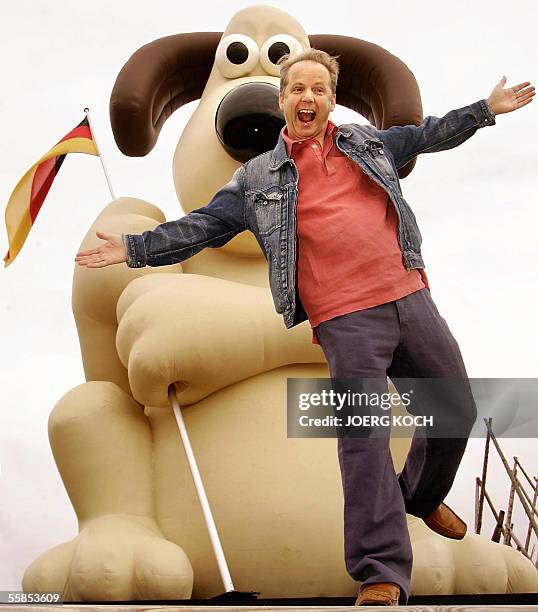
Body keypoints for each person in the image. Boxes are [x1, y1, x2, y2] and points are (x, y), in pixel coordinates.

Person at [76, 49, 534, 606]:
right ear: (283, 100)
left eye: (319, 89)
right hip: (345, 317)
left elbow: (425, 134)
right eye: (297, 89)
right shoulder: (258, 177)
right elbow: (201, 228)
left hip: (408, 295)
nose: (308, 98)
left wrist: (486, 109)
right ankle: (381, 573)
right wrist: (134, 247)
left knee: (453, 405)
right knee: (364, 438)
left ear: (332, 100)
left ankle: (417, 496)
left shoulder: (367, 144)